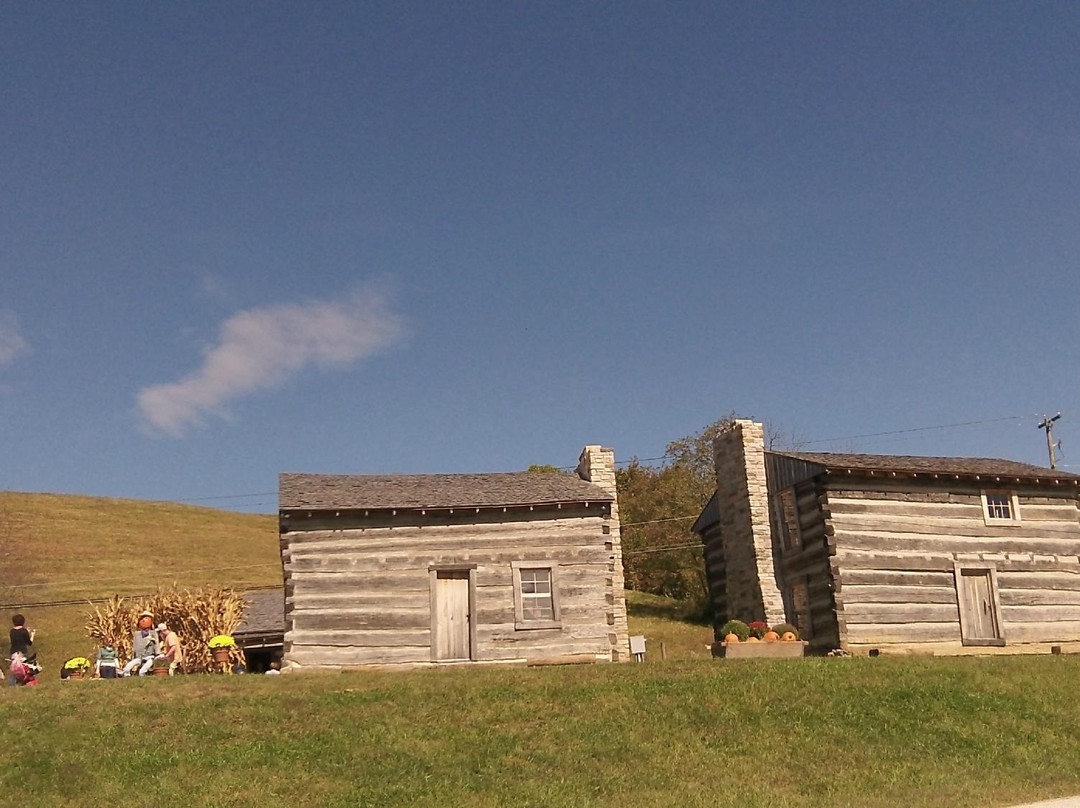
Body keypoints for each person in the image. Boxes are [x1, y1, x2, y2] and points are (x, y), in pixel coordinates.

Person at [121, 611, 159, 677]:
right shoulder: (137, 634)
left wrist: (157, 654)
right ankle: (127, 677)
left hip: (149, 657)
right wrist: (133, 656)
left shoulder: (153, 633)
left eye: (146, 618)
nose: (144, 620)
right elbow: (134, 646)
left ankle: (143, 678)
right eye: (142, 618)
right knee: (127, 668)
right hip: (139, 657)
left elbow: (156, 645)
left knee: (142, 672)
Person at [8, 614, 35, 687]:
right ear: (23, 622)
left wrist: (26, 631)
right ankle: (25, 683)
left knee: (15, 669)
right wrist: (32, 635)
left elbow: (17, 637)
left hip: (13, 652)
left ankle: (11, 685)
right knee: (25, 669)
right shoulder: (23, 631)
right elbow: (29, 643)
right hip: (22, 652)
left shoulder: (12, 631)